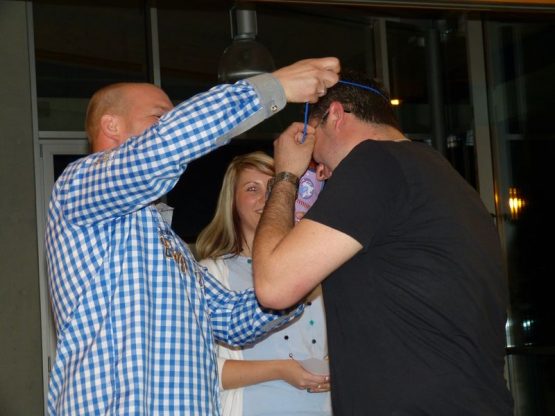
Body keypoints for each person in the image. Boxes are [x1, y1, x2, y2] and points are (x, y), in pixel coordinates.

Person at [45, 57, 340, 415]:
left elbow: (233, 318)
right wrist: (273, 88)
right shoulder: (79, 187)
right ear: (112, 125)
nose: (171, 125)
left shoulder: (169, 246)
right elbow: (165, 146)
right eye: (159, 117)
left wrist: (300, 276)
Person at [252, 69, 514, 415]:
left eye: (311, 141)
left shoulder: (374, 161)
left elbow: (274, 286)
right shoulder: (437, 175)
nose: (316, 167)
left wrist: (286, 175)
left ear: (335, 115)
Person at [196, 151, 331, 416]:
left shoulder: (315, 268)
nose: (266, 197)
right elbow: (198, 368)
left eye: (273, 187)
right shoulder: (210, 274)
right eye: (251, 189)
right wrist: (280, 369)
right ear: (232, 203)